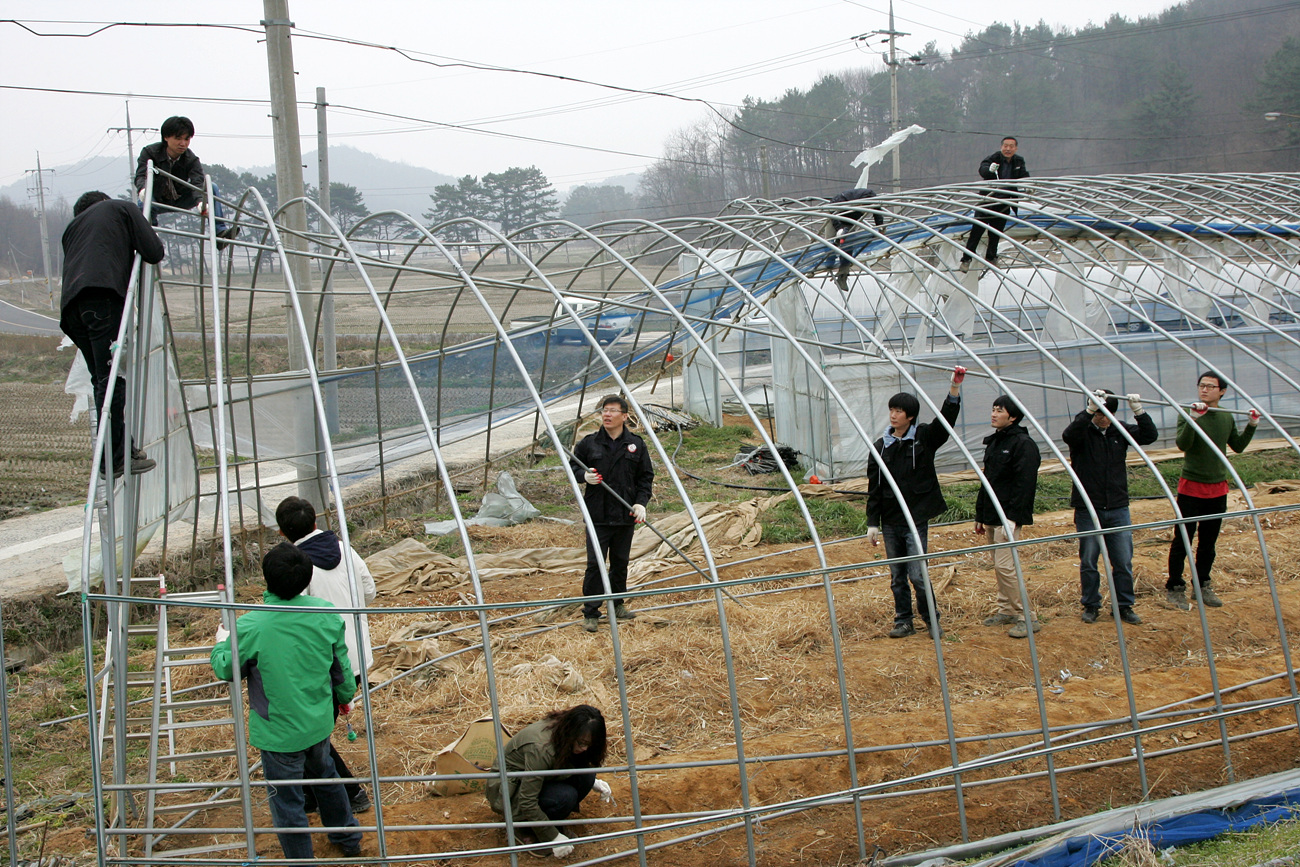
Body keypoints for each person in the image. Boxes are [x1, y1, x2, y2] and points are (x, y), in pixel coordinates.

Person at [210, 542, 362, 860]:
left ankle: (301, 859)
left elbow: (227, 668)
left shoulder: (252, 625)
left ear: (267, 580)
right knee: (326, 777)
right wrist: (346, 697)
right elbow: (341, 668)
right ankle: (347, 837)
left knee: (286, 798)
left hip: (278, 732)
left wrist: (222, 643)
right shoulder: (324, 614)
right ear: (306, 580)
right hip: (318, 721)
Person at [276, 496, 376, 815]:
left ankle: (350, 793)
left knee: (309, 735)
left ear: (281, 532)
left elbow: (295, 617)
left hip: (326, 663)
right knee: (313, 731)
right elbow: (370, 589)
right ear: (316, 521)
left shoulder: (294, 564)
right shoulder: (345, 549)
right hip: (357, 657)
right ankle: (311, 796)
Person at [60, 191, 165, 477]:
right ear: (104, 202)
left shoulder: (73, 229)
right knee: (111, 381)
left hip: (71, 311)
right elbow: (154, 252)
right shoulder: (121, 209)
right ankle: (115, 460)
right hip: (101, 300)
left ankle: (122, 448)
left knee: (101, 381)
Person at [866, 366, 966, 639]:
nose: (894, 414)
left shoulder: (922, 438)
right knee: (897, 576)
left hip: (915, 518)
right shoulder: (881, 446)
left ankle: (931, 619)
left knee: (917, 575)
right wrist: (872, 522)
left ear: (910, 416)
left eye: (899, 411)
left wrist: (954, 390)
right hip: (891, 520)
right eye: (892, 410)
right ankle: (903, 621)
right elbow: (873, 487)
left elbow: (945, 423)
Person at [1165, 372, 1260, 610]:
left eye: (1210, 386)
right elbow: (1183, 444)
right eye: (1201, 386)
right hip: (1192, 486)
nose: (1204, 390)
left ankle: (1202, 584)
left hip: (1217, 487)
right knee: (1183, 540)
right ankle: (1175, 587)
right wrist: (1193, 419)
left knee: (1208, 542)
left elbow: (1236, 446)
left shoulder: (1225, 416)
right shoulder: (1188, 412)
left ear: (1222, 391)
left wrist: (1252, 425)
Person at [1062, 390, 1159, 624]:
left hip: (1117, 506)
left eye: (1109, 413)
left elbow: (1149, 435)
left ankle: (1124, 605)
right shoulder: (1082, 430)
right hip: (1089, 508)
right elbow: (1068, 435)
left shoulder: (1118, 430)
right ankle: (1091, 604)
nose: (1103, 418)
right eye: (1099, 413)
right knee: (1089, 560)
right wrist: (1088, 411)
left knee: (1123, 560)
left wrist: (1139, 411)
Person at [570, 394, 654, 633]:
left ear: (624, 416)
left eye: (612, 410)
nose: (606, 414)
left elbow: (645, 477)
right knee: (595, 564)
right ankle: (591, 612)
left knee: (620, 562)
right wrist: (583, 476)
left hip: (625, 514)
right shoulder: (589, 444)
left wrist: (641, 503)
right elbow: (573, 466)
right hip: (598, 514)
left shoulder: (636, 444)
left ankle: (617, 604)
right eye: (604, 410)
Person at [486, 705, 613, 859]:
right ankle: (523, 828)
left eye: (589, 745)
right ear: (570, 733)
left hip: (530, 779)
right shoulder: (542, 749)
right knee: (565, 796)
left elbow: (561, 760)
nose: (585, 749)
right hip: (507, 793)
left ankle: (550, 821)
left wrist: (593, 781)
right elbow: (527, 800)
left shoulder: (564, 731)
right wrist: (552, 837)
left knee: (586, 775)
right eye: (581, 743)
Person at [974, 393, 1042, 638]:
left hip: (1008, 517)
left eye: (999, 410)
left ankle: (1028, 616)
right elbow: (987, 482)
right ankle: (1007, 610)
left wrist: (1012, 519)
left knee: (1006, 567)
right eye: (993, 409)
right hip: (992, 514)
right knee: (999, 566)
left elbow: (1025, 485)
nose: (993, 414)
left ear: (1012, 417)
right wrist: (980, 515)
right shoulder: (995, 442)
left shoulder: (1023, 444)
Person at [134, 115, 238, 246]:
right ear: (166, 137)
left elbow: (198, 181)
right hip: (155, 198)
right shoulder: (150, 153)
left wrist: (201, 201)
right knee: (143, 201)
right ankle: (150, 233)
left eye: (187, 139)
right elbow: (141, 175)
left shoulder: (191, 159)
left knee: (212, 187)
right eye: (178, 139)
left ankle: (220, 232)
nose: (183, 144)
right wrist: (143, 189)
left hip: (179, 198)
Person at [960, 136, 1029, 272]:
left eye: (1011, 146)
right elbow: (983, 170)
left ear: (1015, 148)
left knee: (996, 233)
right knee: (976, 232)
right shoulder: (994, 158)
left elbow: (1023, 175)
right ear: (1001, 146)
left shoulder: (1018, 161)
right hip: (988, 202)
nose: (1008, 149)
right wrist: (990, 170)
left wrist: (1028, 184)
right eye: (1005, 146)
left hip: (1003, 203)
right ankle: (966, 259)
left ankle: (991, 257)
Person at [826, 188, 885, 292]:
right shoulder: (843, 200)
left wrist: (880, 227)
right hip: (837, 216)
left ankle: (842, 274)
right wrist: (839, 228)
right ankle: (829, 261)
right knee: (831, 242)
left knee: (849, 243)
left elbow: (877, 213)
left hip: (850, 220)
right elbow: (832, 212)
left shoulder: (872, 200)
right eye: (863, 207)